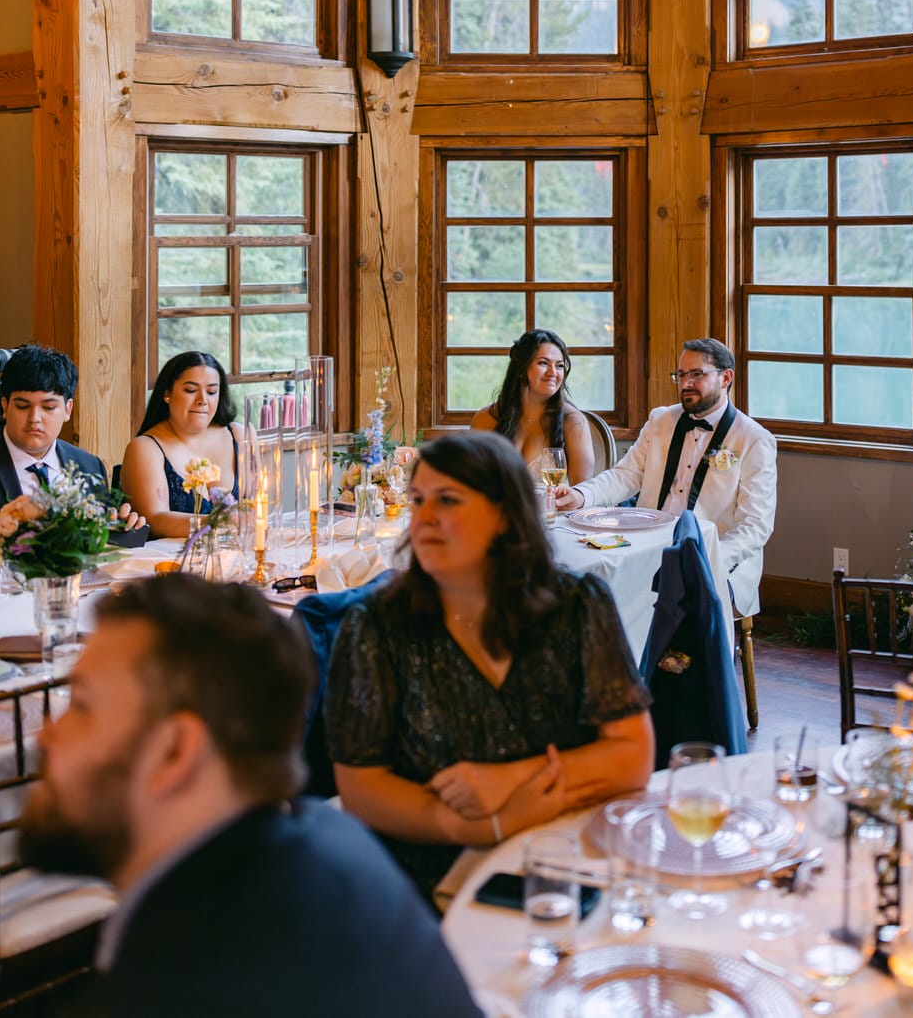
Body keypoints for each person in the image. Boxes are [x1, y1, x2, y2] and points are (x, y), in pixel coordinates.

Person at [18, 575, 482, 1018]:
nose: (46, 737)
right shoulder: (331, 841)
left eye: (81, 707)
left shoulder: (174, 997)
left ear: (176, 751)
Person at [326, 430, 653, 899]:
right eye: (418, 501)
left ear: (504, 515)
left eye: (448, 501)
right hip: (426, 872)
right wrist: (476, 826)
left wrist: (509, 778)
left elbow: (632, 754)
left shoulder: (577, 606)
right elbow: (361, 787)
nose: (424, 519)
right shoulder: (377, 626)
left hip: (567, 855)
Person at [555, 337, 776, 618]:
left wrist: (707, 559)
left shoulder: (754, 439)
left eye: (697, 374)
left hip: (716, 559)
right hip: (648, 548)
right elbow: (625, 476)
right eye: (681, 375)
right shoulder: (661, 420)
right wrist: (581, 495)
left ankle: (680, 660)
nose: (685, 383)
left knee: (672, 596)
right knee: (596, 583)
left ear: (726, 377)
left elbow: (755, 526)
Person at [0, 344, 143, 528]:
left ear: (67, 409)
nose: (34, 418)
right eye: (22, 406)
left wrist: (118, 526)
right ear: (5, 407)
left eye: (49, 407)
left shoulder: (89, 466)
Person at [120, 351, 241, 539]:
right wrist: (217, 524)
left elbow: (260, 508)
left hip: (239, 558)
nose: (202, 400)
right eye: (191, 390)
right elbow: (154, 519)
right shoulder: (146, 448)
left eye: (211, 392)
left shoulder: (239, 436)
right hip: (172, 563)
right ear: (167, 393)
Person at [470, 329, 595, 484]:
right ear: (521, 368)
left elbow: (581, 492)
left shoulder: (574, 423)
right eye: (543, 363)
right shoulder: (486, 419)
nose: (553, 373)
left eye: (560, 366)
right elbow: (473, 484)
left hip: (555, 508)